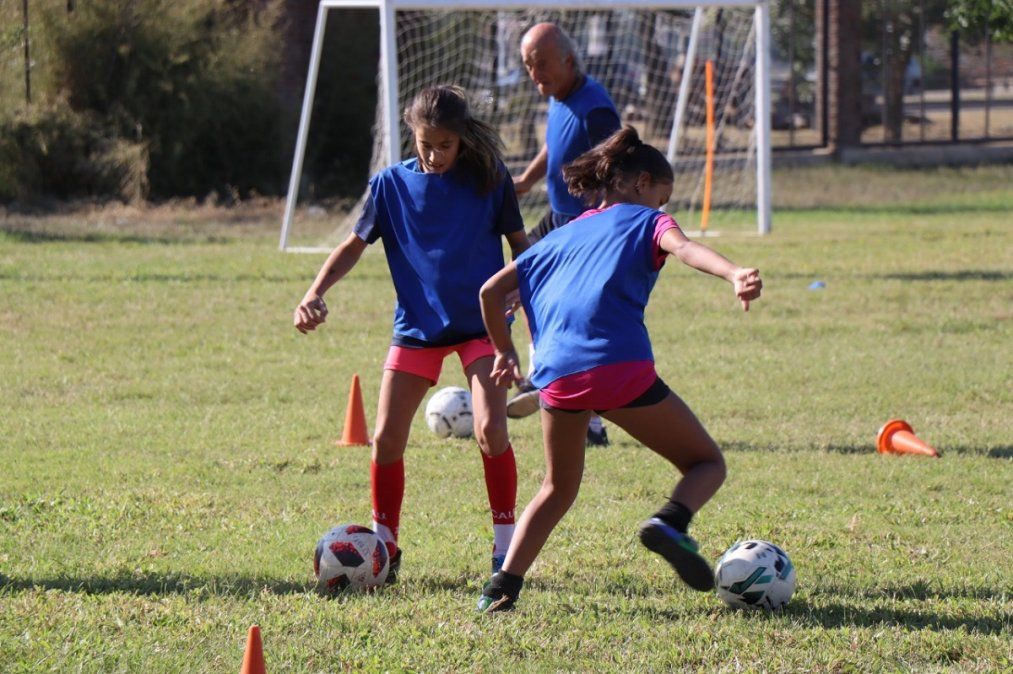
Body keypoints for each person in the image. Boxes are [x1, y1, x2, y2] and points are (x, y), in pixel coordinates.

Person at [474, 127, 763, 612]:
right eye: (662, 197)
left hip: (557, 376)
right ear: (641, 183)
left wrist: (503, 351)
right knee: (706, 463)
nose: (662, 206)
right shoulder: (648, 222)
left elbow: (489, 292)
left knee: (557, 486)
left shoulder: (559, 235)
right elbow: (686, 249)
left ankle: (500, 589)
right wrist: (734, 273)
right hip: (617, 365)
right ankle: (670, 522)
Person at [294, 85, 530, 579]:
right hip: (418, 328)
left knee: (490, 429)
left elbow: (521, 248)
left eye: (445, 145)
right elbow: (354, 245)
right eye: (426, 143)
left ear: (462, 139)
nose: (435, 154)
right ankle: (385, 547)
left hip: (481, 325)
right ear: (412, 134)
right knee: (384, 440)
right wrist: (315, 291)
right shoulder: (389, 186)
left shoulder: (489, 180)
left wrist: (521, 293)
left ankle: (504, 547)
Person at [508, 22, 622, 446]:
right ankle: (541, 377)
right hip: (556, 219)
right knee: (513, 287)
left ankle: (584, 416)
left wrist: (600, 225)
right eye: (528, 65)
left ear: (569, 61)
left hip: (581, 232)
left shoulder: (595, 109)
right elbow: (556, 147)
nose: (534, 74)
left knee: (565, 314)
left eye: (541, 64)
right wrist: (527, 178)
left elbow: (618, 168)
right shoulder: (560, 96)